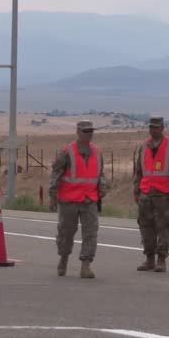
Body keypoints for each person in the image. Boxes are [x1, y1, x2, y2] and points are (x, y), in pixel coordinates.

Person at [48, 120, 106, 279]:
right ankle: (64, 258)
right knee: (66, 233)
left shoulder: (97, 152)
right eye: (86, 131)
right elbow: (56, 175)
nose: (89, 134)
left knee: (91, 233)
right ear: (78, 132)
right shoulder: (66, 152)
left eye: (91, 131)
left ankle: (86, 265)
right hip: (69, 200)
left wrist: (102, 186)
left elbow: (100, 174)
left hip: (89, 200)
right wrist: (53, 197)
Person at [132, 116, 169, 272]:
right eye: (151, 127)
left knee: (164, 228)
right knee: (145, 228)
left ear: (162, 128)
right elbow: (138, 172)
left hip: (164, 195)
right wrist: (136, 191)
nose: (153, 130)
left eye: (156, 127)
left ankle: (161, 260)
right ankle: (149, 259)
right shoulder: (144, 146)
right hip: (145, 195)